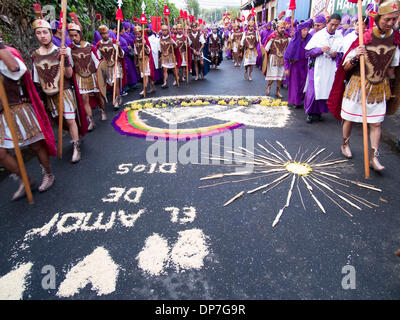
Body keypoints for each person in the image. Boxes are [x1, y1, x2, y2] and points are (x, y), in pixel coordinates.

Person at [328, 0, 400, 171]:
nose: (391, 23)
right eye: (387, 19)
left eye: (394, 19)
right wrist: (355, 57)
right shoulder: (364, 38)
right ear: (378, 18)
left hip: (378, 87)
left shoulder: (395, 40)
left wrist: (392, 86)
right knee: (350, 119)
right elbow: (345, 67)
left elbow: (392, 68)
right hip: (358, 85)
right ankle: (345, 143)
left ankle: (374, 157)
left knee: (376, 123)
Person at [0, 40, 56, 200]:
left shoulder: (8, 55)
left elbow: (14, 68)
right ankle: (24, 180)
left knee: (36, 145)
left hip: (19, 109)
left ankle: (48, 174)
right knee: (1, 153)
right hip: (2, 114)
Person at [32, 19, 87, 164]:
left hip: (64, 91)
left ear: (51, 33)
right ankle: (76, 136)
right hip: (50, 95)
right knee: (61, 122)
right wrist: (41, 99)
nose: (42, 35)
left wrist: (65, 59)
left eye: (45, 32)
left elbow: (69, 75)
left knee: (69, 119)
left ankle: (76, 147)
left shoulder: (60, 51)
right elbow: (37, 81)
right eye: (38, 33)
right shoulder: (35, 55)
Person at [304, 13, 343, 123]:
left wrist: (336, 54)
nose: (333, 27)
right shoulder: (318, 35)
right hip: (318, 67)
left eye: (336, 25)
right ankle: (311, 113)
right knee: (314, 91)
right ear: (327, 23)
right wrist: (320, 50)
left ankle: (319, 113)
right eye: (331, 24)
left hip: (330, 67)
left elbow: (343, 53)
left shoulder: (340, 36)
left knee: (326, 90)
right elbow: (308, 52)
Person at [67, 23, 105, 130]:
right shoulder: (69, 49)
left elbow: (97, 62)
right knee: (84, 99)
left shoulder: (89, 46)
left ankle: (102, 110)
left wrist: (100, 76)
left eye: (76, 35)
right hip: (80, 76)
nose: (74, 38)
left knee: (98, 95)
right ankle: (91, 120)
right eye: (71, 36)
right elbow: (71, 65)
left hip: (92, 75)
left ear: (80, 34)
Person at [284, 20, 313, 108]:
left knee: (303, 83)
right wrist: (287, 68)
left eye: (307, 30)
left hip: (306, 65)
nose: (305, 32)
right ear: (299, 30)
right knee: (295, 84)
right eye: (303, 30)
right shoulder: (294, 41)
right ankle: (295, 101)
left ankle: (300, 99)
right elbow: (286, 56)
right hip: (295, 65)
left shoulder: (310, 39)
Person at [96, 25, 125, 110]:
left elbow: (121, 54)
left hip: (115, 65)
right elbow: (98, 57)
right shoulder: (99, 44)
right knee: (112, 84)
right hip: (106, 67)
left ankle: (116, 101)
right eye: (103, 34)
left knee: (115, 83)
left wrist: (118, 47)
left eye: (106, 33)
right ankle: (119, 96)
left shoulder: (113, 42)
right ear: (100, 35)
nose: (105, 35)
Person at [265, 20, 290, 97]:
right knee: (273, 75)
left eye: (284, 28)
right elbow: (266, 48)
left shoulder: (287, 37)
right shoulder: (272, 37)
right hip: (274, 58)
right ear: (277, 28)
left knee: (280, 76)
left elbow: (291, 47)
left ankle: (277, 91)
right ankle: (268, 86)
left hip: (283, 59)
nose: (283, 29)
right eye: (281, 28)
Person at [133, 26, 156, 96]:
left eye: (138, 34)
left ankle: (144, 90)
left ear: (141, 33)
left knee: (145, 75)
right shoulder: (135, 41)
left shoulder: (145, 39)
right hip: (140, 60)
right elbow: (135, 51)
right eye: (136, 34)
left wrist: (145, 44)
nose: (137, 35)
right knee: (147, 75)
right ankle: (153, 87)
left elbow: (149, 51)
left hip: (146, 60)